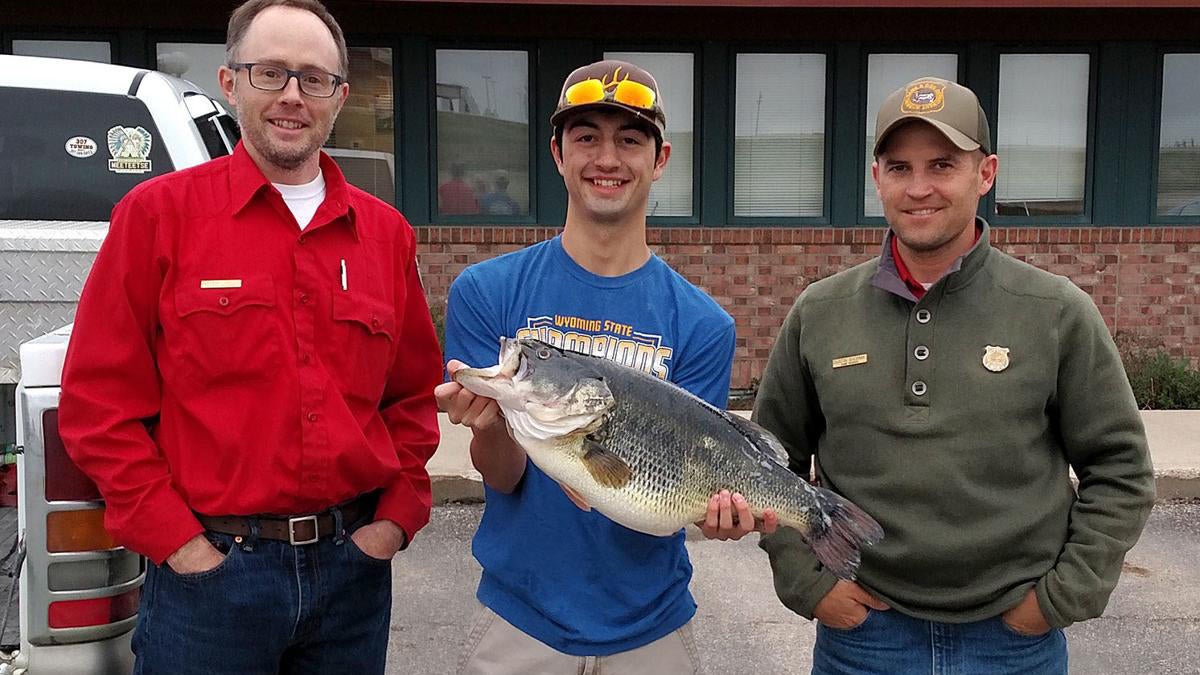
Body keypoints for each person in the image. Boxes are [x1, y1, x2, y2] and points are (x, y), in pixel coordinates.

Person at [56, 1, 442, 672]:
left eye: (313, 79)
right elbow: (98, 404)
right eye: (271, 73)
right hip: (209, 584)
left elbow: (410, 398)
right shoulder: (157, 218)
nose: (292, 96)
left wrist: (393, 522)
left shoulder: (385, 235)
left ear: (339, 98)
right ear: (230, 83)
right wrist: (178, 542)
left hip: (352, 579)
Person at [754, 76, 1156, 674]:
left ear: (985, 173)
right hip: (865, 638)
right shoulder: (821, 311)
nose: (919, 189)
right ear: (877, 178)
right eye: (899, 167)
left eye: (942, 164)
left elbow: (1121, 469)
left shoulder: (1055, 311)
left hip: (1012, 641)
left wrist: (1060, 598)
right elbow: (767, 461)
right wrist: (809, 586)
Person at [435, 60, 778, 674]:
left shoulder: (703, 324)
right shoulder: (488, 293)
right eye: (586, 136)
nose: (607, 158)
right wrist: (490, 428)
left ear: (661, 157)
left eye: (629, 139)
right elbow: (504, 478)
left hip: (651, 626)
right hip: (522, 619)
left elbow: (675, 496)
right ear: (558, 153)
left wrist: (721, 512)